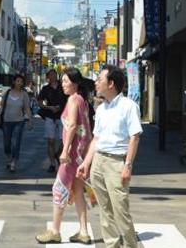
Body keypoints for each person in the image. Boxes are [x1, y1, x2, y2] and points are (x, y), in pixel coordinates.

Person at [77, 65, 142, 248]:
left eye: (100, 79)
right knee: (104, 211)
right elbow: (96, 139)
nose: (96, 83)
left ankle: (130, 245)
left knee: (120, 210)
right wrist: (86, 164)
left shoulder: (129, 106)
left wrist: (127, 166)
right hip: (98, 161)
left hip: (116, 162)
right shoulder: (101, 109)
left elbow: (134, 137)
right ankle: (111, 245)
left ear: (111, 83)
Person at [36, 68, 94, 245]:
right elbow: (86, 129)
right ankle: (83, 232)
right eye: (62, 81)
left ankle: (55, 231)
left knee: (59, 188)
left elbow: (71, 126)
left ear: (75, 83)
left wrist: (65, 150)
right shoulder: (82, 100)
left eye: (66, 81)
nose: (63, 84)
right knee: (77, 192)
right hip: (81, 153)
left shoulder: (73, 99)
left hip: (72, 153)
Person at [0, 74, 33, 172]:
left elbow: (27, 108)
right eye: (18, 81)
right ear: (14, 82)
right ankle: (9, 157)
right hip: (6, 121)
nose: (19, 83)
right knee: (7, 143)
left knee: (16, 143)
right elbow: (1, 106)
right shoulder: (7, 93)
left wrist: (30, 120)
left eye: (21, 81)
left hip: (19, 121)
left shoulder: (24, 94)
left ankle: (13, 162)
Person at [38, 69, 68, 173]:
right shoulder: (45, 88)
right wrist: (49, 107)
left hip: (62, 116)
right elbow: (40, 102)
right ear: (48, 77)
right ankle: (52, 163)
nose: (53, 76)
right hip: (50, 116)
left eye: (54, 74)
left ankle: (57, 154)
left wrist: (61, 107)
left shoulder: (62, 87)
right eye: (50, 75)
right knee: (50, 141)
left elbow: (69, 99)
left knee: (64, 141)